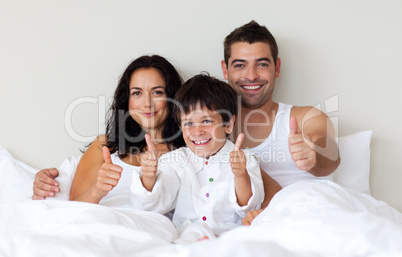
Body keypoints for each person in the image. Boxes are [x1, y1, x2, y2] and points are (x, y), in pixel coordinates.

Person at [220, 20, 341, 224]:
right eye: (240, 65)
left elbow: (331, 156)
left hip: (308, 218)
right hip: (245, 230)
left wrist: (314, 156)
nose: (251, 76)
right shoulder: (203, 130)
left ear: (277, 67)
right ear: (225, 69)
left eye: (262, 64)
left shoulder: (305, 117)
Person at [32, 55, 186, 207]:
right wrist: (98, 190)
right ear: (127, 101)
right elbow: (74, 207)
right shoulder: (104, 146)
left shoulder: (188, 153)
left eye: (157, 92)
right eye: (137, 93)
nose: (147, 103)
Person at [130, 74, 264, 242]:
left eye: (206, 121)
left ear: (228, 124)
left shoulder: (246, 159)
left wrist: (240, 175)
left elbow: (249, 207)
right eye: (188, 124)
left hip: (231, 237)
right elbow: (152, 206)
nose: (197, 131)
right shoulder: (175, 161)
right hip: (188, 237)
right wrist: (148, 177)